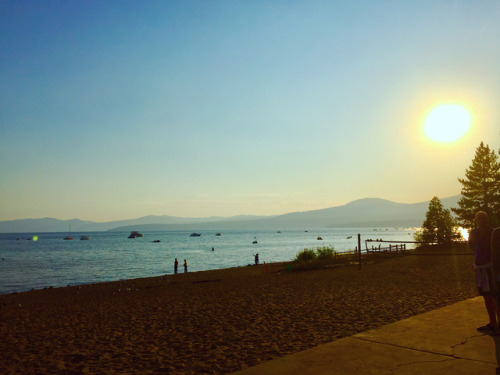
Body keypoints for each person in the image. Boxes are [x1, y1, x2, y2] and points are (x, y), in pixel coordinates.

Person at [468, 211, 498, 332]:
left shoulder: (493, 232)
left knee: (495, 295)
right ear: (476, 220)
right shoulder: (473, 232)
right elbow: (470, 245)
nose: (481, 220)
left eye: (483, 217)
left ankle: (497, 324)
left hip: (491, 268)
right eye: (479, 218)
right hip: (479, 268)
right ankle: (492, 322)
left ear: (488, 219)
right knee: (486, 296)